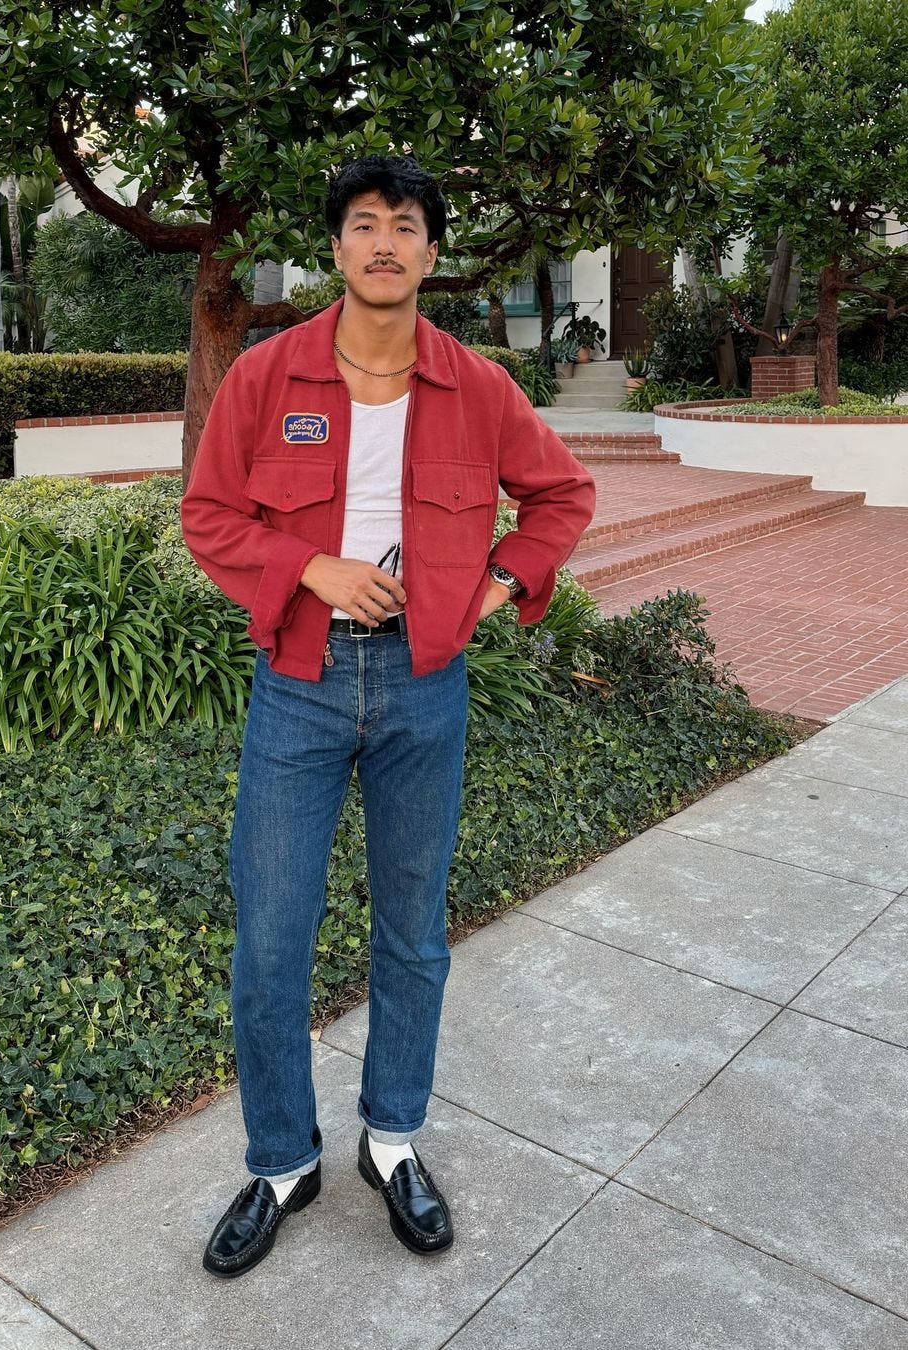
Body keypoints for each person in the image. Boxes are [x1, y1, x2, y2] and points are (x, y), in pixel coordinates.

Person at [181, 154, 595, 1278]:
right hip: (299, 689)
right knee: (271, 936)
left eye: (404, 226)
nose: (383, 243)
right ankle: (280, 1163)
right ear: (336, 249)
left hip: (425, 687)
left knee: (411, 931)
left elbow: (563, 494)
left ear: (428, 252)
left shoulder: (477, 386)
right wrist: (309, 567)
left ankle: (393, 1142)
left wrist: (502, 583)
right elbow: (209, 517)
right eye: (363, 224)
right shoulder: (267, 377)